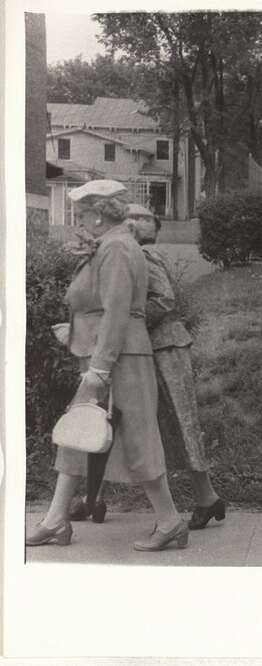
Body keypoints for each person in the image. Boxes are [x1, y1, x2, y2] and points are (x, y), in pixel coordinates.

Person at [26, 180, 188, 552]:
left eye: (82, 214)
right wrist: (77, 329)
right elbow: (102, 307)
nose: (80, 221)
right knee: (78, 433)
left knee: (137, 442)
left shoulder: (116, 247)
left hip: (119, 361)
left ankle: (170, 522)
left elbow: (117, 314)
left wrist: (99, 369)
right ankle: (56, 520)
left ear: (98, 214)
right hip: (116, 356)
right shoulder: (115, 244)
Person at [68, 206, 227, 530]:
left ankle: (207, 498)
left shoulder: (144, 257)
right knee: (117, 423)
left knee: (178, 425)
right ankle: (94, 497)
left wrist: (131, 322)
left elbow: (165, 301)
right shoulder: (124, 255)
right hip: (139, 350)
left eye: (140, 220)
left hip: (164, 348)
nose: (134, 224)